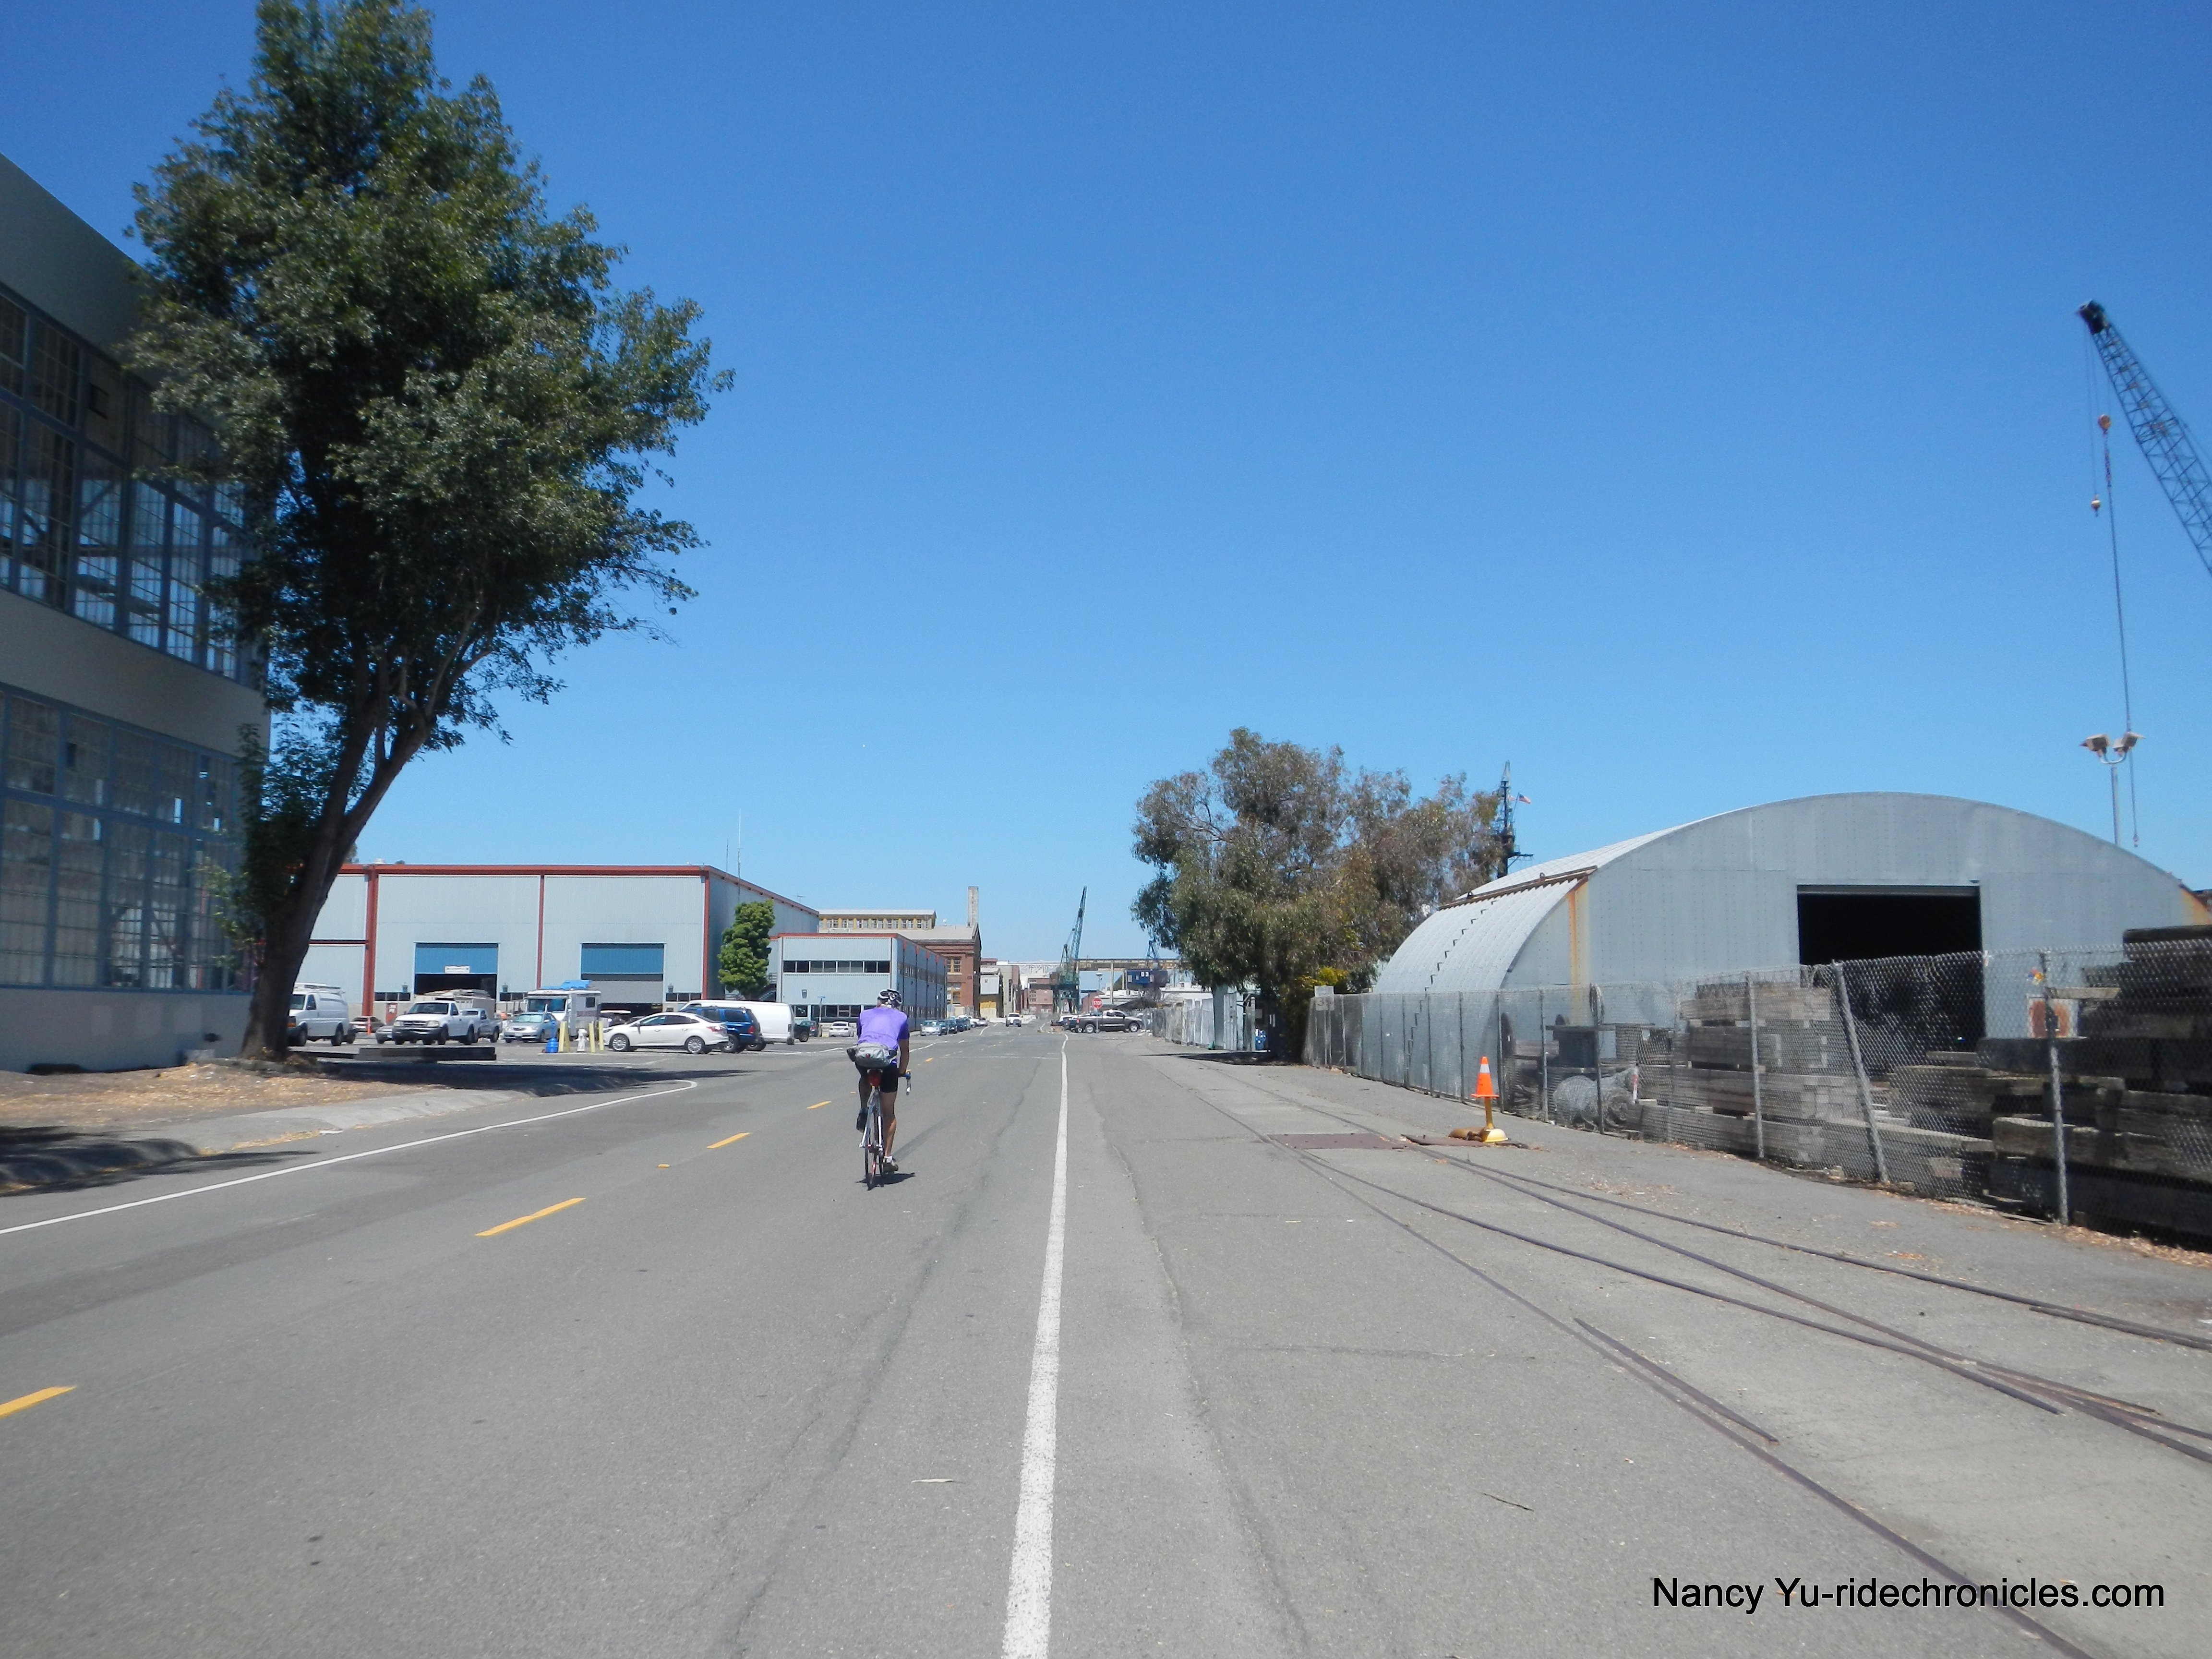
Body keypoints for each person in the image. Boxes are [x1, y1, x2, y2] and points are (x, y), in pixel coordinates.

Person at [852, 987, 911, 1170]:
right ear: (897, 1006)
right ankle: (887, 1157)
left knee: (865, 1074)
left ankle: (864, 1108)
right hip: (887, 1061)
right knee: (889, 1113)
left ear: (879, 1002)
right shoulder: (902, 1018)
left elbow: (862, 1038)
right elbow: (905, 1051)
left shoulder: (865, 1014)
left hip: (864, 1055)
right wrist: (901, 1071)